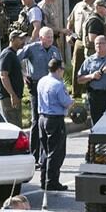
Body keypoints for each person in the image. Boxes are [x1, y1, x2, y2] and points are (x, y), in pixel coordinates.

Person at [18, 27, 62, 164]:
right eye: (47, 37)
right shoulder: (32, 48)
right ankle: (34, 155)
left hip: (51, 88)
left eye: (51, 37)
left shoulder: (55, 50)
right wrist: (23, 74)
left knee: (49, 119)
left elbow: (60, 68)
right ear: (41, 37)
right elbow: (15, 59)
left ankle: (47, 154)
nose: (50, 39)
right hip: (36, 85)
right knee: (36, 120)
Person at [37, 59, 73, 191]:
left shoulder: (42, 81)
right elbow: (66, 102)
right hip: (55, 119)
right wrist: (72, 101)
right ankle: (52, 182)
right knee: (56, 152)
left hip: (42, 118)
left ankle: (44, 180)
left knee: (45, 151)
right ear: (58, 70)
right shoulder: (58, 85)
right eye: (62, 69)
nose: (63, 72)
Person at [66, 0, 99, 96]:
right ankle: (76, 92)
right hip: (79, 40)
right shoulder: (78, 6)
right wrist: (69, 35)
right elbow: (70, 23)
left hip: (93, 41)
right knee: (77, 66)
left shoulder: (99, 6)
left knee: (94, 66)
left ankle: (91, 91)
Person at [77, 35, 106, 125]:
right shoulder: (89, 61)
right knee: (97, 123)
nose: (99, 46)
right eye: (97, 44)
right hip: (95, 96)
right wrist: (91, 76)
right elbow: (79, 80)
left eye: (102, 43)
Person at [0, 30, 26, 126]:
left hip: (15, 96)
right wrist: (12, 95)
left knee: (17, 126)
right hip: (8, 98)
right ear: (12, 39)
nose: (23, 41)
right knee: (13, 127)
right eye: (20, 38)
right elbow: (3, 75)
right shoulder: (7, 54)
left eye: (24, 38)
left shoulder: (14, 54)